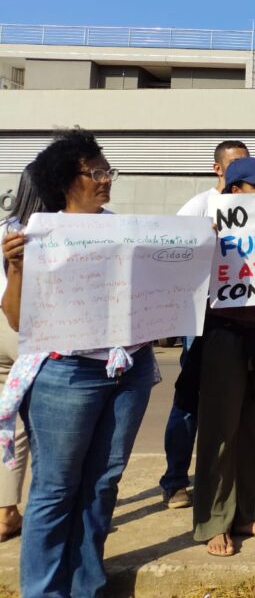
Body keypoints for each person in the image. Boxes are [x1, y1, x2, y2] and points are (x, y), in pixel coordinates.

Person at [1, 129, 158, 598]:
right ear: (68, 179)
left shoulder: (128, 230)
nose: (107, 180)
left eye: (108, 171)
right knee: (55, 487)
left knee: (103, 482)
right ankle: (44, 591)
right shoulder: (31, 237)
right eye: (98, 172)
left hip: (128, 370)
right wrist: (17, 270)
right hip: (65, 373)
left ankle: (86, 586)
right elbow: (14, 316)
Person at [192, 156, 255, 556]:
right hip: (224, 335)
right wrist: (205, 242)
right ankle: (214, 520)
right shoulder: (207, 228)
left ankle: (243, 515)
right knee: (219, 432)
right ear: (235, 191)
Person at [160, 139, 252, 510]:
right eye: (236, 165)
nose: (244, 172)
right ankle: (176, 480)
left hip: (243, 317)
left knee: (241, 400)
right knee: (190, 398)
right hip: (201, 317)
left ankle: (243, 471)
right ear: (218, 169)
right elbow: (173, 257)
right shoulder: (199, 206)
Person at [0, 165, 45, 542]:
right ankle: (20, 513)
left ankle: (4, 512)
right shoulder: (53, 229)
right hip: (28, 327)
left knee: (5, 422)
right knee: (37, 426)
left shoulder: (6, 228)